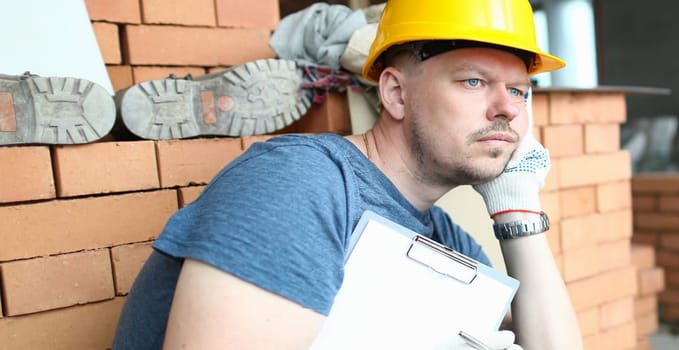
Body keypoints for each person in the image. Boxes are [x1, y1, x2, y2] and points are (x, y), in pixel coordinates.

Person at [111, 0, 584, 349]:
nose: (506, 108)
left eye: (520, 91)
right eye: (474, 81)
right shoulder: (298, 185)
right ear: (395, 94)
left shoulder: (448, 244)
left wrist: (516, 208)